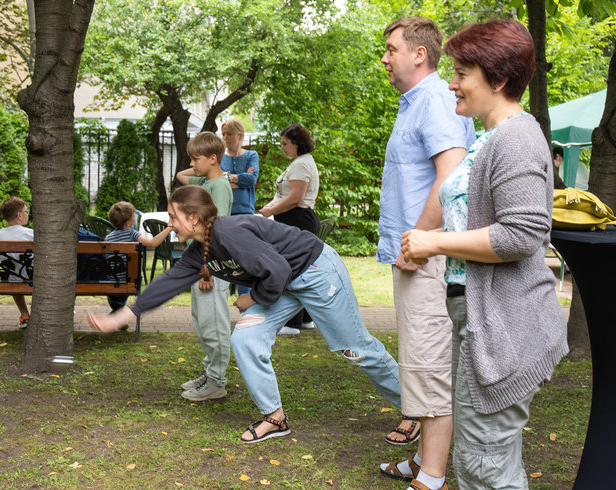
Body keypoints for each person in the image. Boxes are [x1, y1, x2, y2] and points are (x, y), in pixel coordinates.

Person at [87, 185, 402, 444]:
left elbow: (277, 268)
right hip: (283, 283)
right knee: (246, 339)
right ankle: (275, 418)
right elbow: (168, 283)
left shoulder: (230, 232)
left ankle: (415, 408)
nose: (170, 224)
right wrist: (121, 316)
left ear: (194, 217)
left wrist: (254, 297)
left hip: (315, 271)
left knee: (354, 348)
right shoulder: (201, 249)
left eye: (173, 217)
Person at [400, 19, 568, 490]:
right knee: (484, 457)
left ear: (497, 80)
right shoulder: (491, 136)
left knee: (484, 464)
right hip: (482, 318)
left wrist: (433, 242)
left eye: (461, 73)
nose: (451, 83)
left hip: (504, 327)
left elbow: (522, 233)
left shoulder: (514, 138)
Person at [376, 16, 476, 489]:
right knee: (419, 360)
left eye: (392, 49)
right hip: (418, 253)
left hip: (428, 254)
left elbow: (451, 177)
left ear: (419, 54)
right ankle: (421, 460)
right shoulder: (415, 102)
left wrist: (418, 242)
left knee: (431, 365)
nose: (385, 58)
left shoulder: (435, 99)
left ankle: (432, 476)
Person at [174, 132, 233, 402]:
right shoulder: (209, 181)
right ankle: (211, 373)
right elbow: (181, 177)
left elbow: (214, 228)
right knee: (203, 321)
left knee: (214, 324)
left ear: (212, 158)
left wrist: (207, 267)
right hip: (202, 260)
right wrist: (202, 165)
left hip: (211, 263)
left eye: (196, 158)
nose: (191, 163)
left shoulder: (218, 186)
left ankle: (217, 381)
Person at [259, 124, 320, 335]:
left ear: (297, 143)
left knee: (292, 270)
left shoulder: (301, 165)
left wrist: (270, 211)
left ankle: (292, 323)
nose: (282, 147)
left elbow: (295, 198)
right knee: (300, 270)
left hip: (298, 220)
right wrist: (271, 207)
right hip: (295, 220)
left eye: (285, 144)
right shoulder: (299, 163)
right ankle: (304, 319)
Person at [104, 201, 173, 312]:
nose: (134, 218)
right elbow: (152, 243)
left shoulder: (108, 238)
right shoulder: (132, 234)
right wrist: (169, 229)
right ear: (127, 223)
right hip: (130, 280)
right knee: (128, 276)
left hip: (112, 280)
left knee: (117, 294)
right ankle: (118, 312)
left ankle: (117, 309)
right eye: (133, 217)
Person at [221, 119, 260, 300]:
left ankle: (244, 298)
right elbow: (218, 182)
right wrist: (238, 180)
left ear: (240, 135)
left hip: (245, 212)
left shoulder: (252, 155)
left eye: (229, 134)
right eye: (224, 134)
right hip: (224, 212)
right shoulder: (220, 156)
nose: (225, 137)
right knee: (227, 258)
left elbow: (251, 179)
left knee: (244, 258)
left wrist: (229, 178)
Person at [0, 196, 34, 329]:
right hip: (33, 277)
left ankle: (25, 315)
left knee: (12, 274)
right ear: (19, 215)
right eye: (26, 212)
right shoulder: (31, 234)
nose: (28, 215)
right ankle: (37, 315)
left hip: (11, 278)